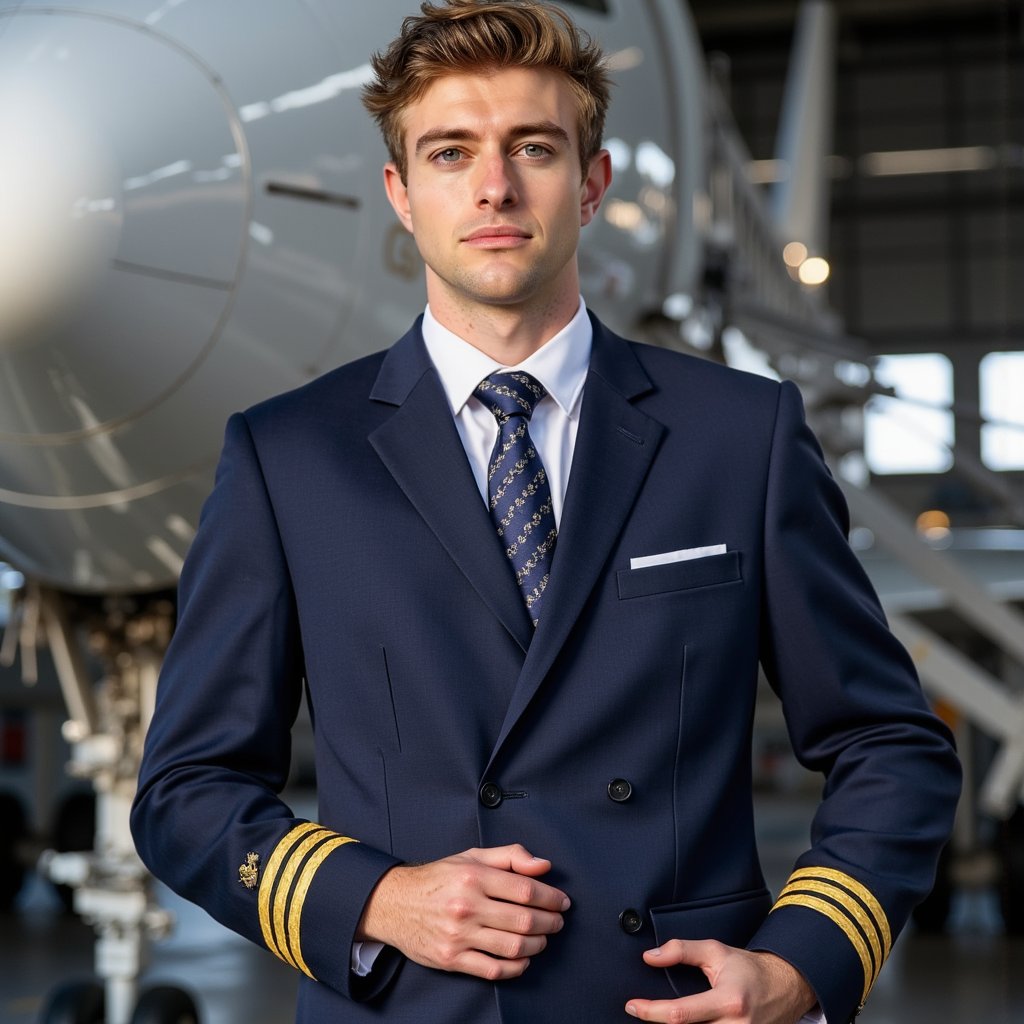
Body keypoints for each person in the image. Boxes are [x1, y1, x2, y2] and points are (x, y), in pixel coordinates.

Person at [130, 2, 961, 1022]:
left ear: (593, 182)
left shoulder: (737, 437)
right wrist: (379, 898)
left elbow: (889, 740)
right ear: (400, 192)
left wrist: (802, 960)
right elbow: (186, 790)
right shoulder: (288, 456)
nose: (494, 186)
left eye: (534, 147)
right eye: (449, 153)